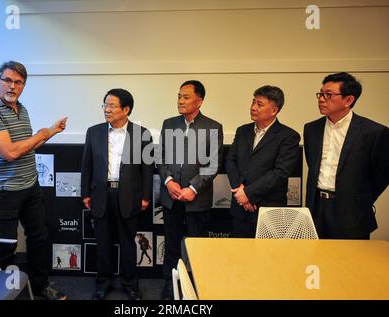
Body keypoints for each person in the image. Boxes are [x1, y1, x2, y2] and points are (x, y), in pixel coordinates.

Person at [0, 61, 67, 300]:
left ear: (23, 85)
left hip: (30, 186)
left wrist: (51, 132)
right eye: (8, 80)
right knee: (6, 246)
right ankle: (5, 294)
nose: (12, 86)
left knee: (39, 237)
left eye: (18, 82)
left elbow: (28, 146)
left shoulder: (21, 109)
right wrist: (42, 133)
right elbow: (10, 152)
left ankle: (40, 285)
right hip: (3, 191)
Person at [81, 88, 153, 300]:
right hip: (101, 195)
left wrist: (146, 196)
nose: (107, 109)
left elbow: (147, 169)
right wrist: (86, 193)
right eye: (105, 105)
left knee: (128, 244)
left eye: (112, 105)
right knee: (102, 244)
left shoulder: (142, 134)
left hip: (129, 196)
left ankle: (130, 285)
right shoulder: (93, 132)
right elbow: (87, 166)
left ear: (126, 109)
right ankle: (103, 284)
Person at [157, 80, 223, 300]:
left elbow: (213, 164)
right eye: (179, 96)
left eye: (185, 97)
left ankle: (196, 286)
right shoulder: (169, 124)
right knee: (172, 242)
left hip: (197, 198)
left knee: (197, 245)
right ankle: (170, 283)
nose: (180, 101)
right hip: (172, 196)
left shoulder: (213, 127)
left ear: (199, 101)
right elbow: (161, 157)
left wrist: (193, 188)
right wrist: (168, 181)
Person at [304, 72, 389, 239]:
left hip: (352, 211)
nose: (321, 99)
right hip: (317, 207)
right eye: (320, 93)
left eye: (328, 95)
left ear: (349, 100)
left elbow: (382, 175)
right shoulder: (311, 129)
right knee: (317, 259)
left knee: (350, 262)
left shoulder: (373, 132)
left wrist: (360, 198)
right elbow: (312, 165)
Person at [225, 85, 300, 237]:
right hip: (240, 207)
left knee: (268, 257)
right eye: (253, 102)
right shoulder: (242, 131)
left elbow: (280, 173)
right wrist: (240, 191)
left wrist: (249, 193)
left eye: (259, 104)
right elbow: (230, 161)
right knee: (238, 255)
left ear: (274, 110)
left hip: (268, 209)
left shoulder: (288, 136)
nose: (253, 107)